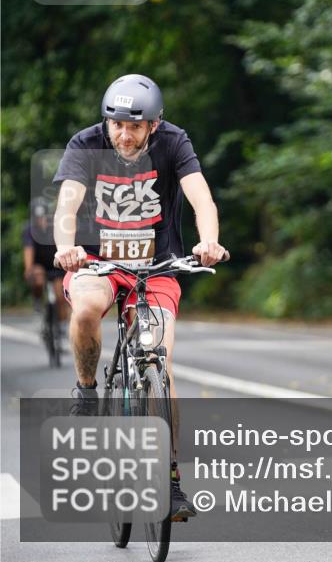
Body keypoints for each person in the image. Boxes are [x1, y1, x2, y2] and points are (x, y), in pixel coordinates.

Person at [52, 74, 228, 522]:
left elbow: (201, 198)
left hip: (157, 266)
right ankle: (87, 392)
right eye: (116, 125)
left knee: (161, 360)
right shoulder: (85, 143)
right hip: (97, 263)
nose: (124, 135)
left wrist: (209, 240)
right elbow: (67, 205)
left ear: (154, 125)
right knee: (87, 310)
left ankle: (168, 482)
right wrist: (67, 247)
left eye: (135, 126)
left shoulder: (174, 143)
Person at [22, 196, 68, 333]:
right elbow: (28, 249)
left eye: (42, 217)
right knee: (37, 277)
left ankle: (62, 325)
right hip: (40, 265)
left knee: (60, 295)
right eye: (37, 218)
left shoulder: (56, 226)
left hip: (56, 264)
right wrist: (28, 269)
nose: (40, 221)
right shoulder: (29, 230)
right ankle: (37, 302)